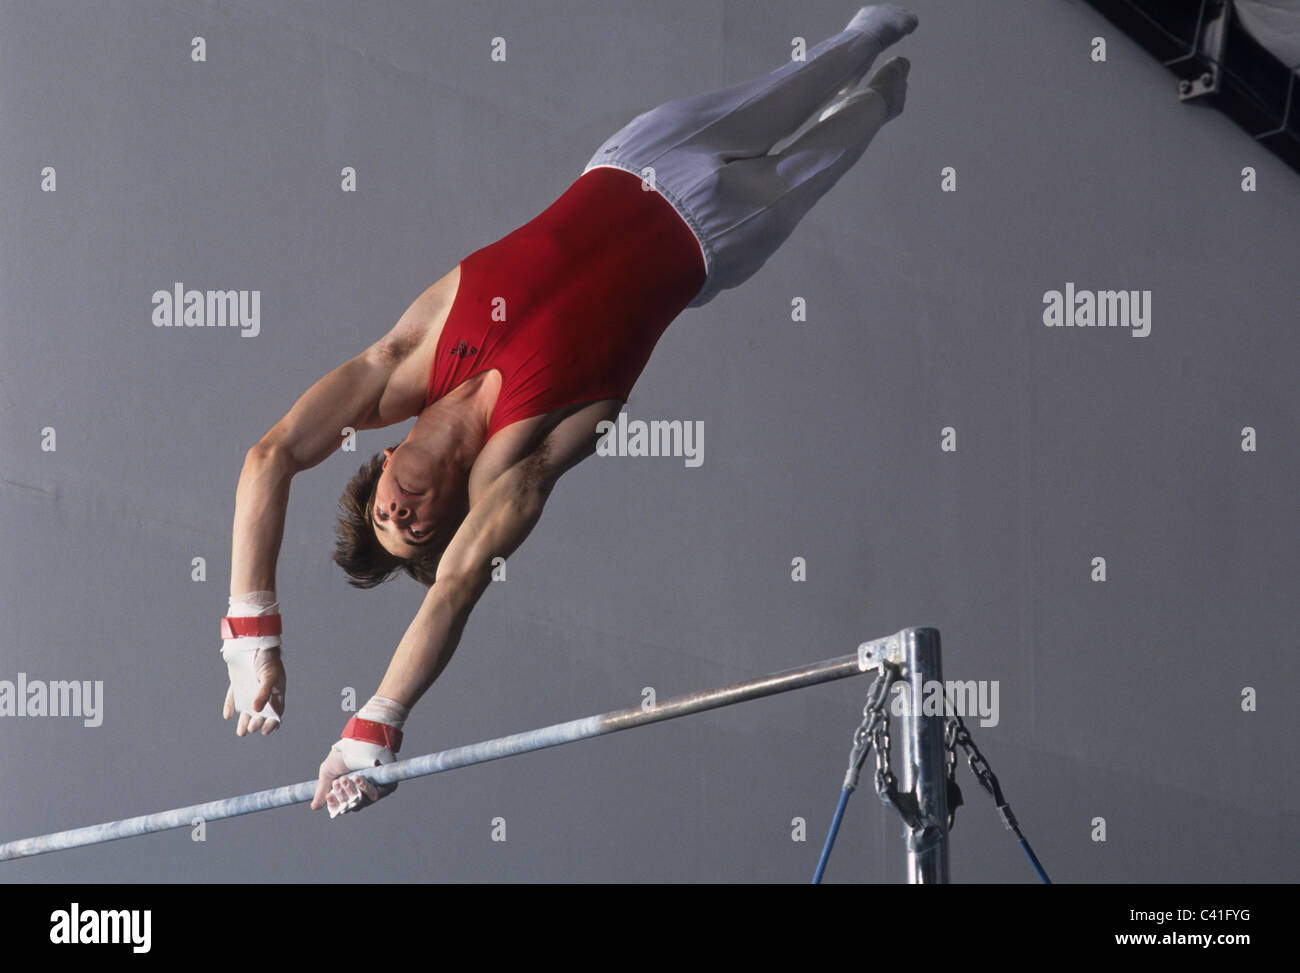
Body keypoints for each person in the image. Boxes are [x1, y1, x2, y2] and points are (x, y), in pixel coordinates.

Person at [214, 5, 918, 818]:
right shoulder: (514, 466)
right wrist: (373, 726)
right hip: (714, 235)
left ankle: (873, 36)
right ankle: (887, 99)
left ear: (374, 467)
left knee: (826, 65)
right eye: (409, 528)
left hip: (631, 160)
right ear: (448, 517)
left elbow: (268, 457)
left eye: (381, 511)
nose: (399, 510)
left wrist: (251, 634)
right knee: (857, 117)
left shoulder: (401, 367)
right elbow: (456, 586)